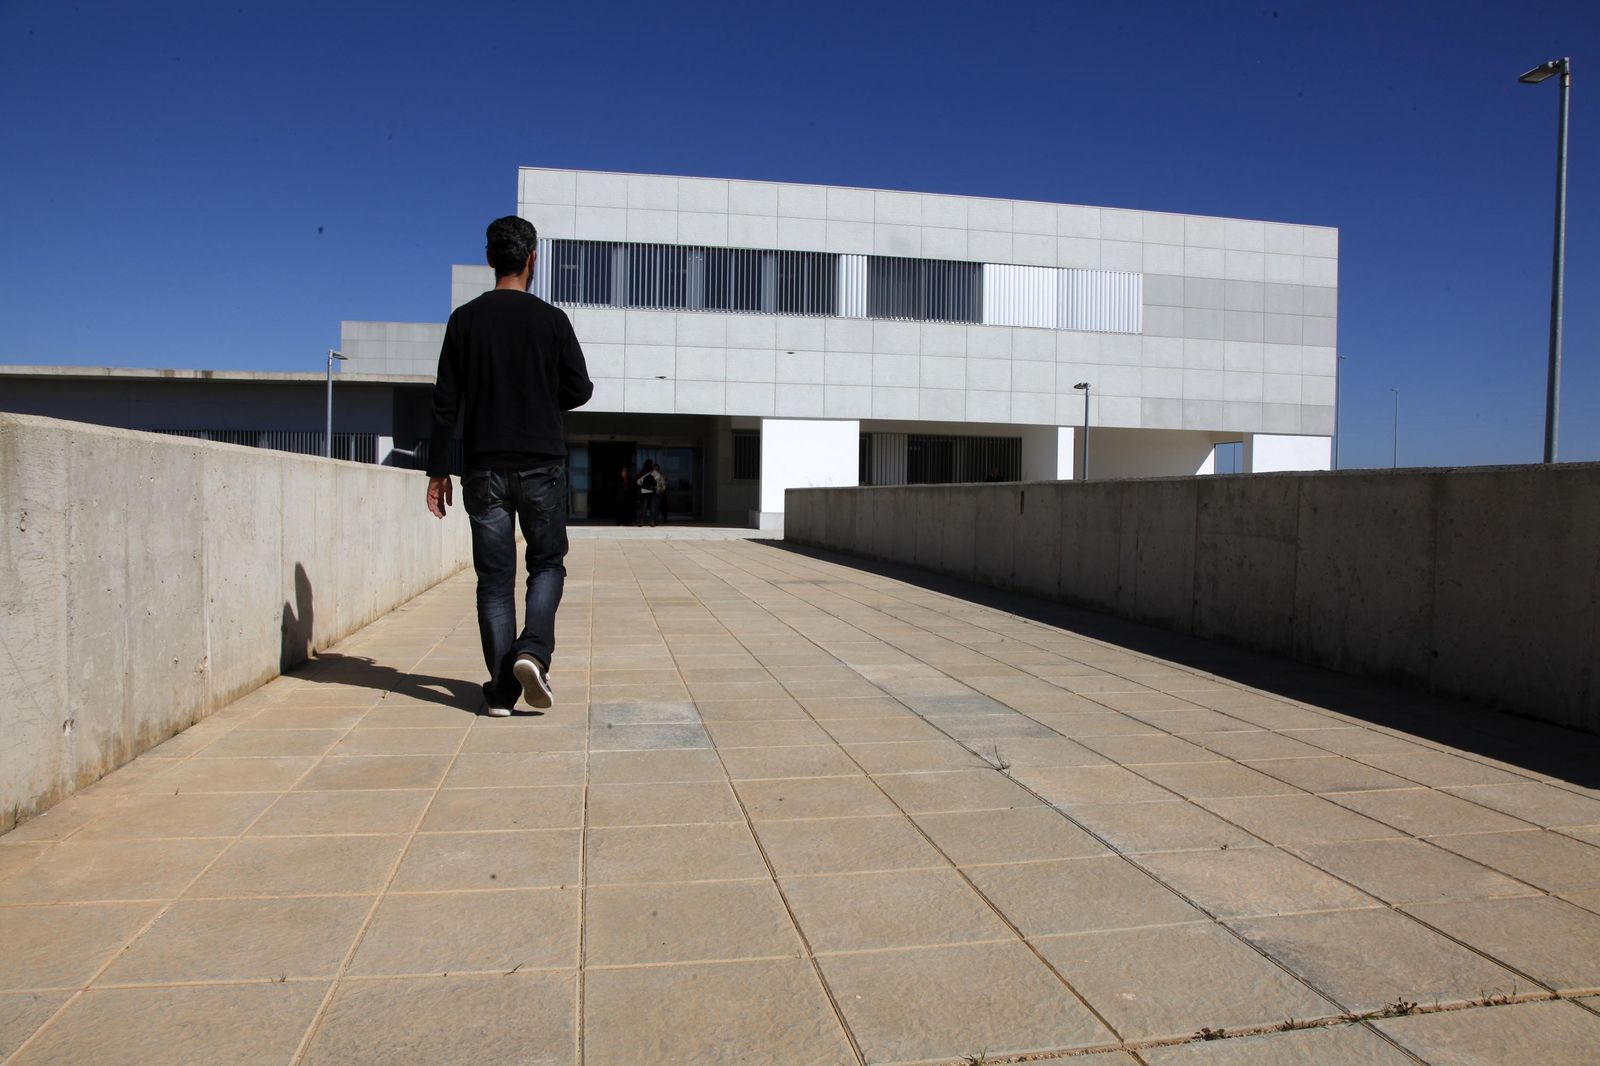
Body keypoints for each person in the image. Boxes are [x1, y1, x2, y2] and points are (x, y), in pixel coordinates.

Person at [425, 216, 593, 717]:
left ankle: (501, 692)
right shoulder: (552, 320)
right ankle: (532, 652)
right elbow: (580, 388)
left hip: (484, 468)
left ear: (490, 260)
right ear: (531, 258)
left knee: (494, 581)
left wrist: (438, 471)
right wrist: (541, 396)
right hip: (542, 464)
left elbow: (444, 403)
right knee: (547, 564)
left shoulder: (464, 320)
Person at [637, 459, 664, 527]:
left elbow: (638, 482)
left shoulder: (642, 472)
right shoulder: (653, 472)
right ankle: (652, 522)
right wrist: (658, 487)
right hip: (652, 491)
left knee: (644, 508)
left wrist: (643, 485)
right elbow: (659, 479)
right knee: (652, 508)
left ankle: (641, 522)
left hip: (644, 491)